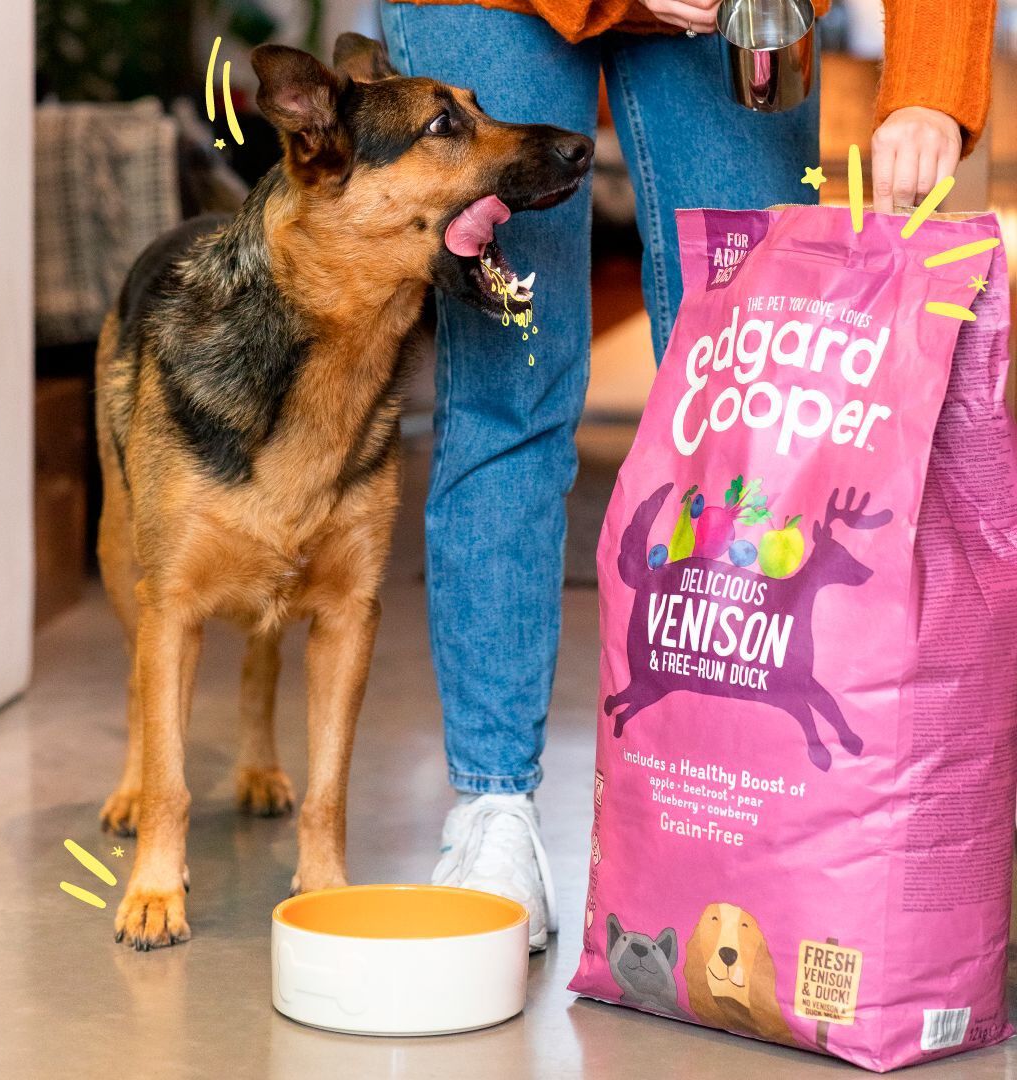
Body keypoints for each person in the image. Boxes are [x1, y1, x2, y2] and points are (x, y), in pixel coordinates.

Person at [379, 0, 996, 950]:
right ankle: (492, 812)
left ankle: (744, 807)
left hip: (736, 12)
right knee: (514, 378)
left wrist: (929, 87)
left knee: (756, 388)